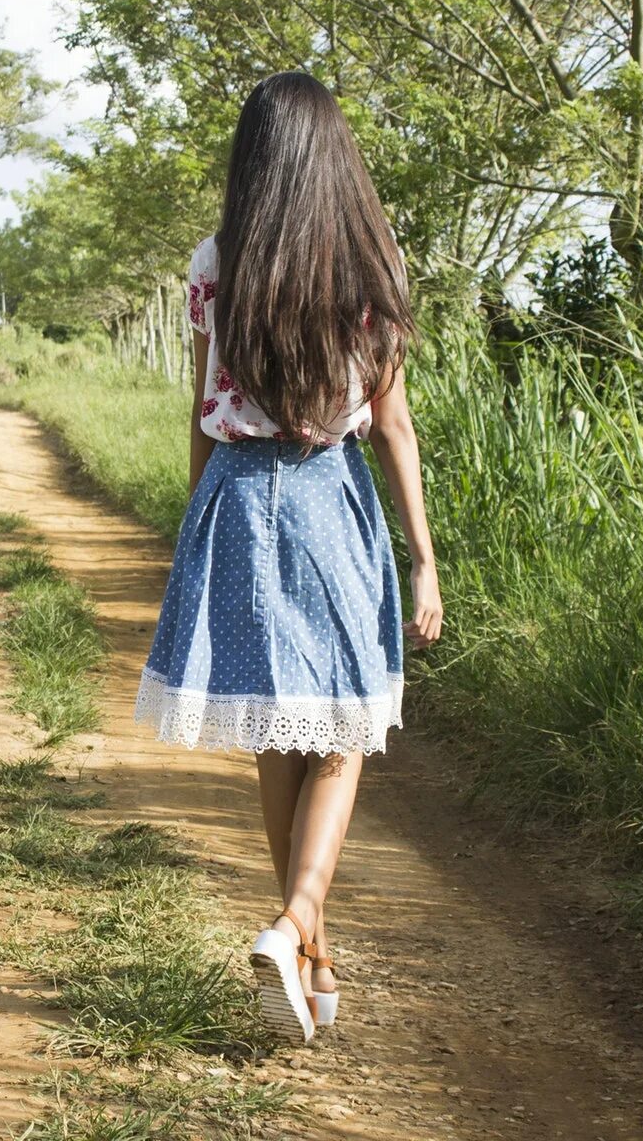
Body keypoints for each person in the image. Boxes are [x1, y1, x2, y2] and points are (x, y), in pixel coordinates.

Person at [133, 71, 443, 1044]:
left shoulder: (218, 259)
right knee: (343, 734)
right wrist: (425, 558)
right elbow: (391, 423)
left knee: (280, 732)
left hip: (234, 495)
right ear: (335, 157)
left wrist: (194, 528)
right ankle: (295, 921)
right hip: (325, 495)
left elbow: (199, 409)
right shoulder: (368, 262)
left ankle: (310, 949)